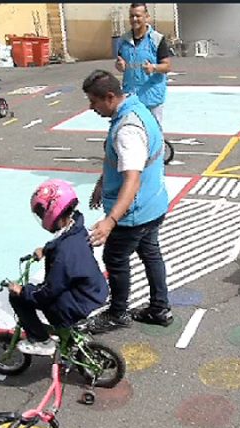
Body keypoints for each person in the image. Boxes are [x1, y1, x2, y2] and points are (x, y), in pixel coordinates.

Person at [83, 70, 173, 329]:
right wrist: (102, 183)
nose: (91, 107)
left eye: (93, 102)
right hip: (154, 204)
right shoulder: (137, 108)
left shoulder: (127, 130)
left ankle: (117, 313)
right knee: (150, 253)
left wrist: (110, 221)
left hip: (134, 213)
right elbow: (120, 162)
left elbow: (132, 180)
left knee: (115, 259)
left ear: (110, 97)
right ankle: (159, 309)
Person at [7, 179, 110, 356]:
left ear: (52, 211)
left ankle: (41, 340)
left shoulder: (63, 256)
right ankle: (67, 341)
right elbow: (63, 242)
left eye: (41, 213)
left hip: (78, 302)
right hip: (93, 289)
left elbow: (50, 291)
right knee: (36, 292)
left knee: (19, 299)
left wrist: (23, 292)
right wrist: (46, 250)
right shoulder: (77, 227)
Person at [115, 3, 172, 125]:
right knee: (132, 131)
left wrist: (154, 68)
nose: (134, 19)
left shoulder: (157, 39)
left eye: (138, 16)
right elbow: (120, 63)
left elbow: (167, 66)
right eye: (131, 16)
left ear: (146, 16)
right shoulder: (123, 40)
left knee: (154, 134)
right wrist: (120, 66)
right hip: (131, 97)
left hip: (151, 97)